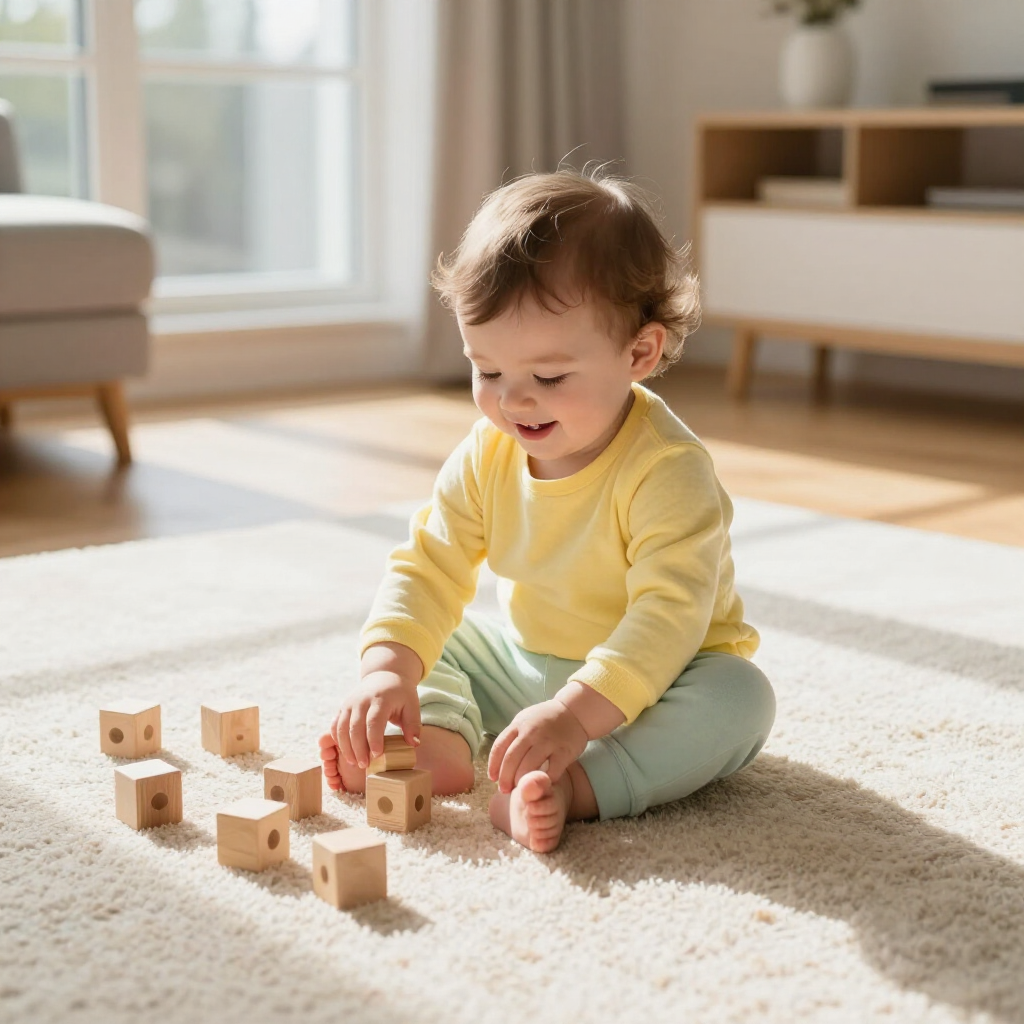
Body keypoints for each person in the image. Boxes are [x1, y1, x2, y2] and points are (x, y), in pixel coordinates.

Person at [319, 166, 776, 853]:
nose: (512, 401)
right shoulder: (486, 452)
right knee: (434, 637)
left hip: (657, 682)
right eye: (488, 371)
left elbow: (667, 619)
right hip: (527, 665)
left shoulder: (668, 471)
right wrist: (389, 671)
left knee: (742, 699)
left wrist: (573, 717)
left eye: (550, 377)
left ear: (639, 353)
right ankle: (436, 738)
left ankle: (580, 786)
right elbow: (430, 564)